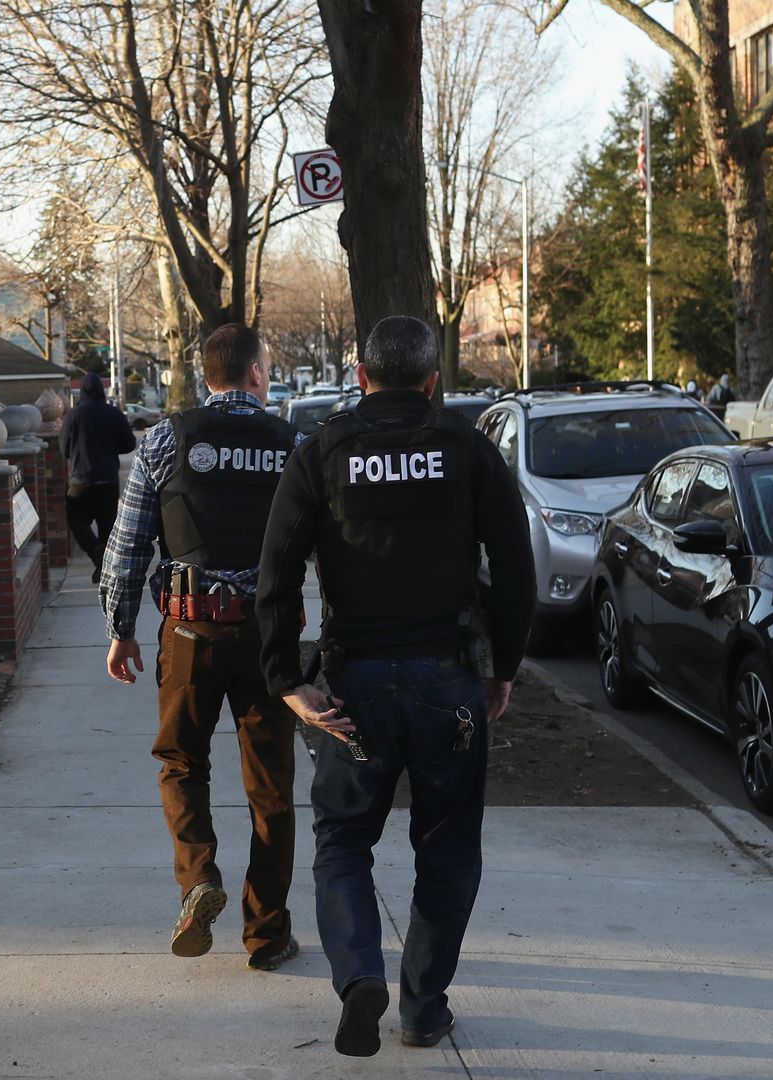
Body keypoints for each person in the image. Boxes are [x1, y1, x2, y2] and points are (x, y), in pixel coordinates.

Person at [256, 316, 535, 1056]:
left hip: (356, 684)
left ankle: (358, 978)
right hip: (448, 679)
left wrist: (287, 678)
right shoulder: (469, 451)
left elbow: (276, 572)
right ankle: (421, 1007)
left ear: (360, 375)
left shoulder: (323, 452)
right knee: (446, 848)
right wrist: (502, 669)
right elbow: (515, 570)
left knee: (343, 840)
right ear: (434, 380)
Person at [100, 324, 304, 971]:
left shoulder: (164, 440)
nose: (268, 377)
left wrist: (120, 626)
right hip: (269, 638)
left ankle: (199, 881)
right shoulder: (293, 447)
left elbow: (126, 545)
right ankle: (266, 936)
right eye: (267, 367)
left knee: (182, 762)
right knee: (270, 787)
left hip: (189, 633)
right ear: (251, 373)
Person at [60, 372, 137, 581]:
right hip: (108, 479)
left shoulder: (73, 416)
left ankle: (96, 553)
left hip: (80, 480)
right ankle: (103, 565)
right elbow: (130, 444)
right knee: (107, 526)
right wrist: (111, 448)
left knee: (77, 522)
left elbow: (64, 448)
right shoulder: (113, 414)